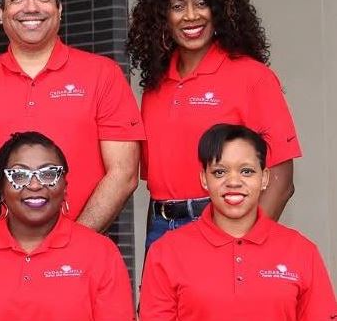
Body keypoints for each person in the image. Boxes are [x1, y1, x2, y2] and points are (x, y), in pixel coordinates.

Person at [0, 0, 144, 235]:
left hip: (83, 249)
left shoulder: (103, 74)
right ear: (1, 13)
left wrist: (73, 245)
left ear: (59, 9)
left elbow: (124, 173)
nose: (31, 7)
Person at [127, 0, 301, 248]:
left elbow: (281, 183)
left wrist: (242, 247)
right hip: (161, 230)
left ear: (218, 10)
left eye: (201, 3)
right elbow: (160, 191)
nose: (191, 15)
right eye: (177, 6)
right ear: (162, 18)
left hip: (226, 224)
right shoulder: (156, 88)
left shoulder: (253, 77)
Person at [140, 124, 336, 320]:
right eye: (219, 172)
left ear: (264, 178)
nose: (233, 182)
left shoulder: (302, 251)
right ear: (204, 179)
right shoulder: (166, 253)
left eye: (246, 171)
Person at [0, 132, 134, 320]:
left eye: (48, 174)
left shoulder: (101, 252)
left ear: (65, 187)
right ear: (1, 189)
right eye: (19, 176)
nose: (35, 185)